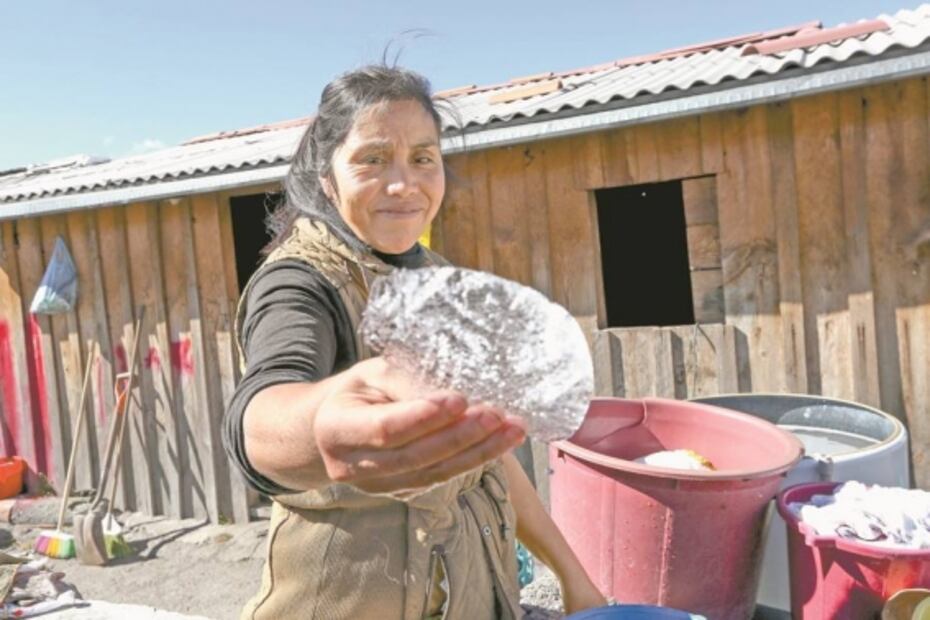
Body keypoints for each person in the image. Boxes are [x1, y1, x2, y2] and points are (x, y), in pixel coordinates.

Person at [223, 64, 606, 620]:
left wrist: (573, 578)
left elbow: (488, 455)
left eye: (423, 158)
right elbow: (262, 409)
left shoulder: (438, 280)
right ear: (327, 178)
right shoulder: (300, 281)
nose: (404, 184)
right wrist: (318, 429)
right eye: (373, 160)